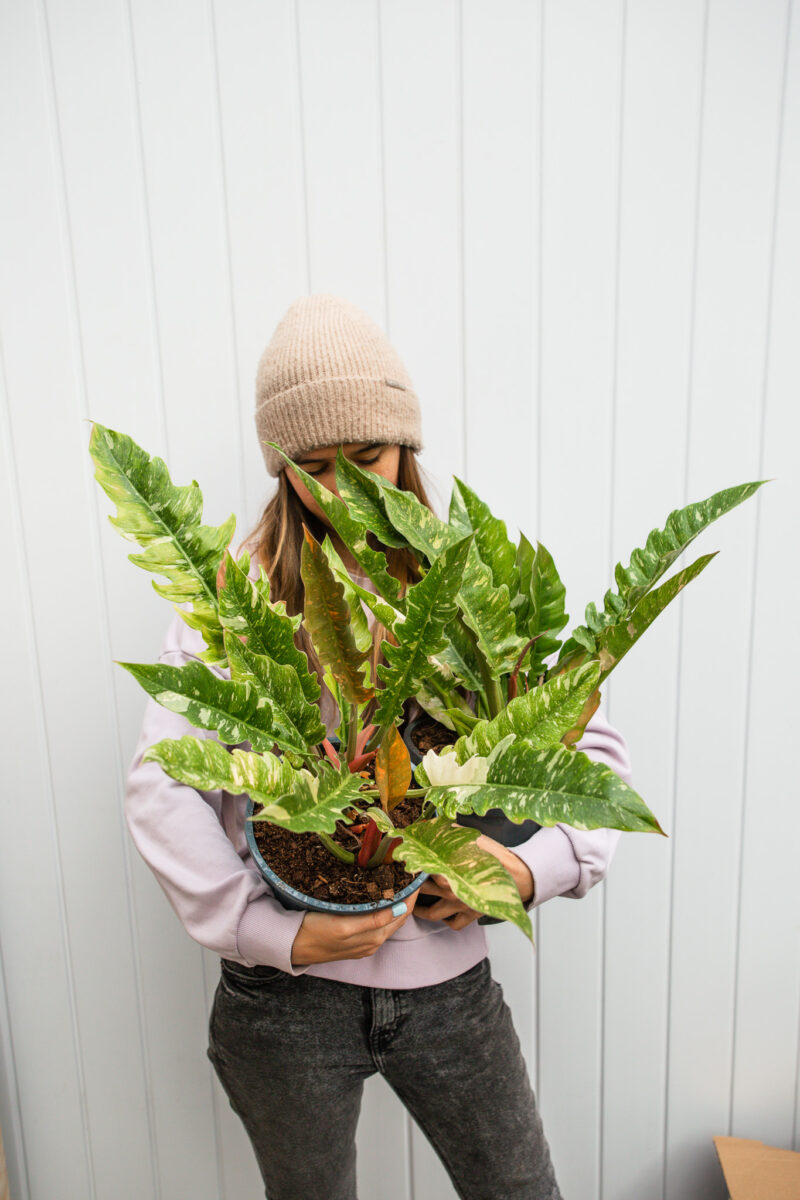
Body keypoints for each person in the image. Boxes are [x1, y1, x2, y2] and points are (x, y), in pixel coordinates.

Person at [124, 293, 633, 1200]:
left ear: (407, 447)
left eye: (367, 458)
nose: (344, 487)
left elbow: (586, 758)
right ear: (279, 468)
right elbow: (163, 784)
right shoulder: (231, 596)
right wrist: (265, 931)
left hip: (449, 986)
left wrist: (527, 872)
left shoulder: (464, 586)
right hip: (285, 1000)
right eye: (311, 466)